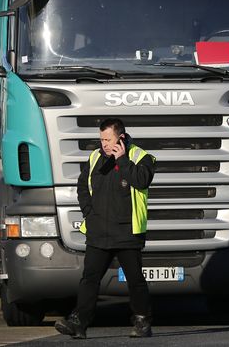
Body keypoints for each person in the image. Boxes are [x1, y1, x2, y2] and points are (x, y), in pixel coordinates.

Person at [55, 118, 156, 339]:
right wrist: (89, 213)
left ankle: (142, 321)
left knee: (135, 279)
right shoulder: (95, 157)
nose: (104, 144)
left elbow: (142, 180)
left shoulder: (141, 157)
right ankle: (79, 323)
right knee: (89, 278)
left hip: (127, 231)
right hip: (98, 230)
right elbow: (83, 186)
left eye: (108, 139)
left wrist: (122, 159)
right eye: (101, 139)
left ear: (120, 138)